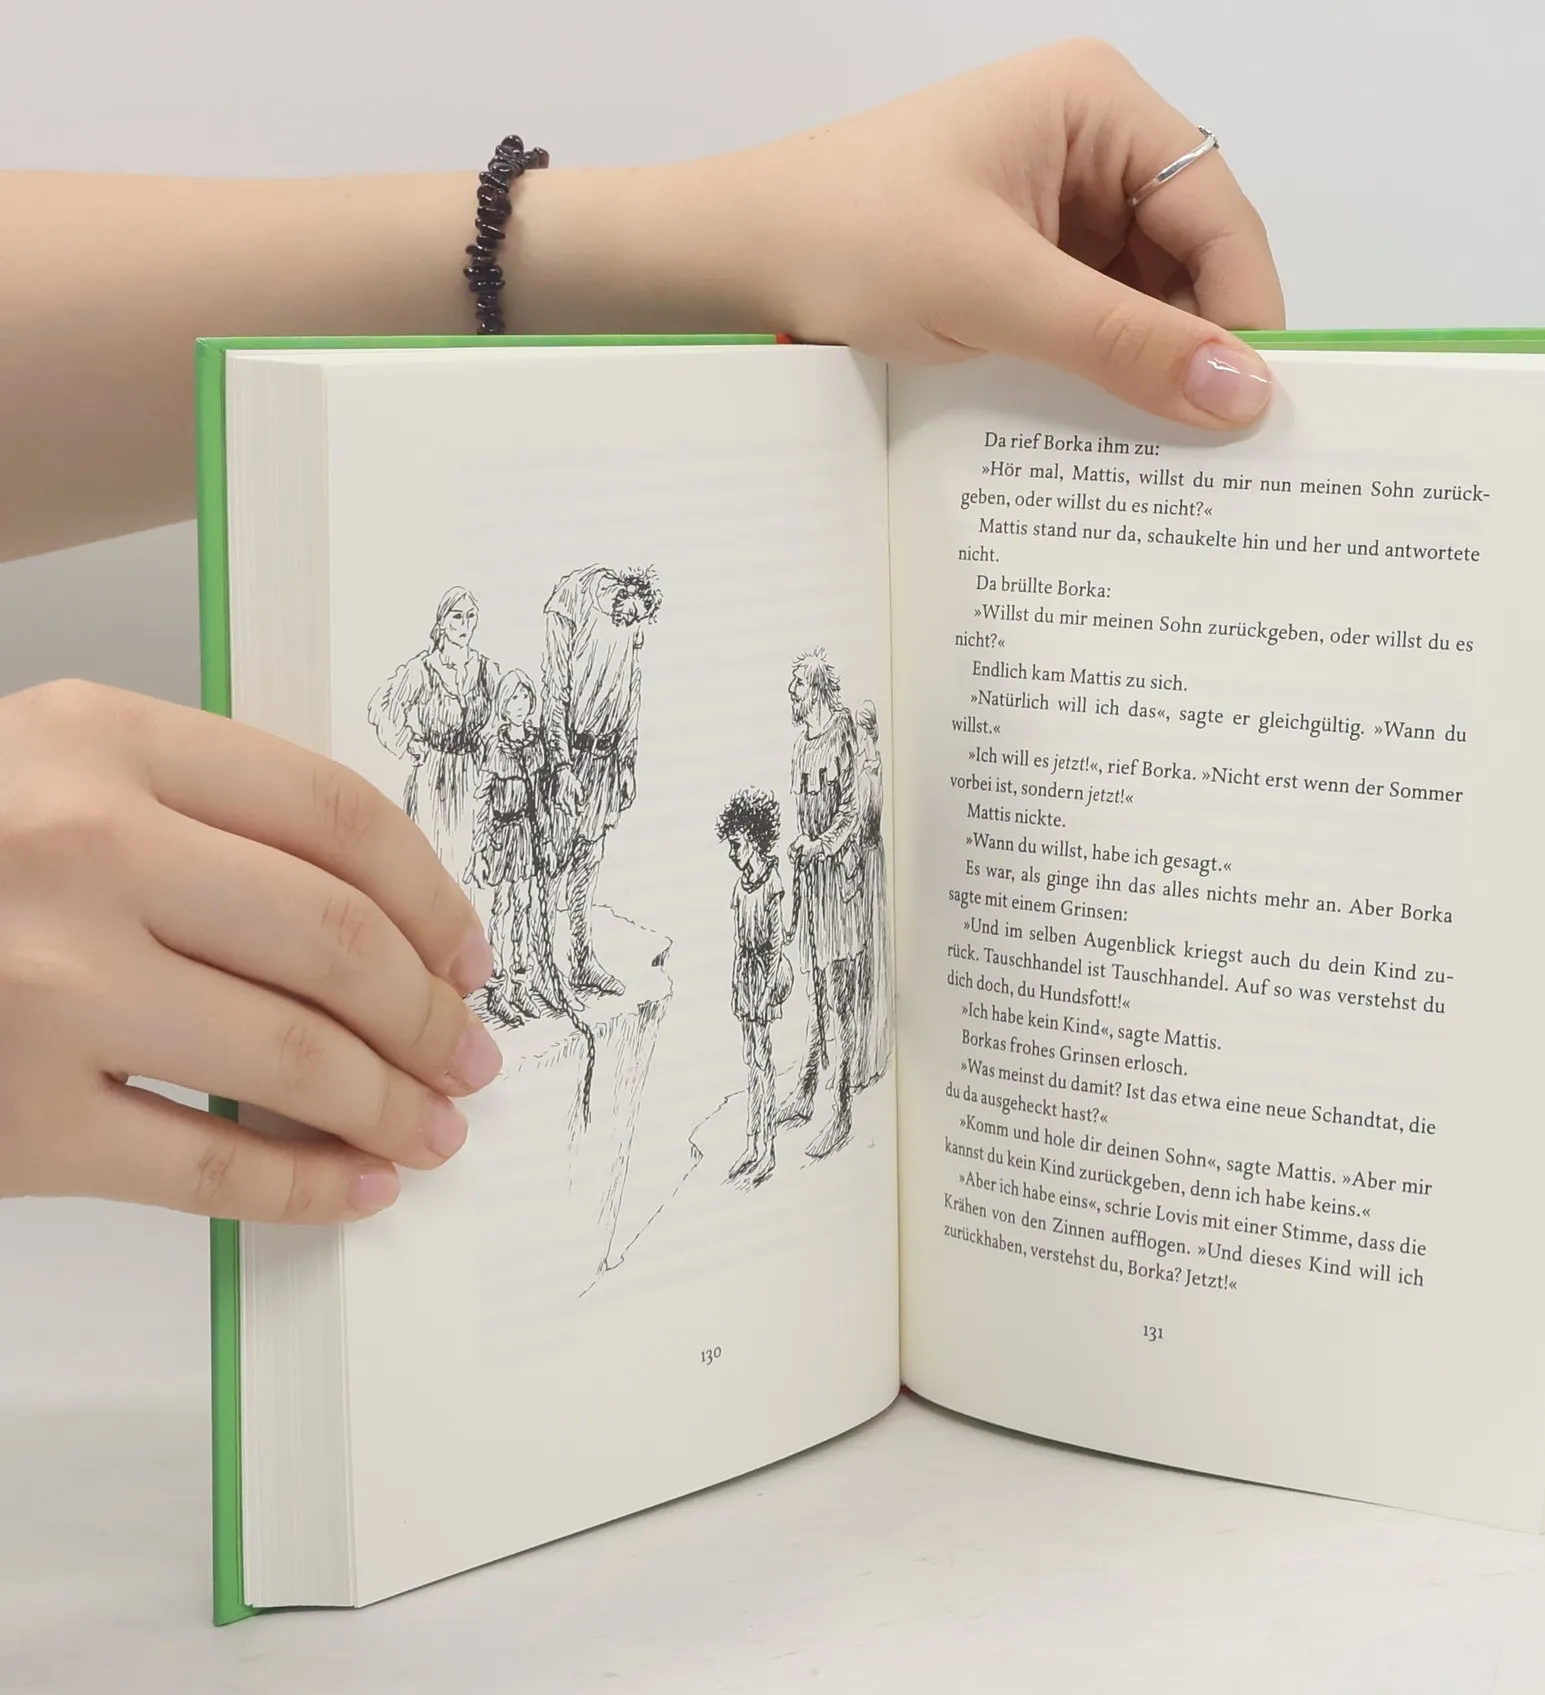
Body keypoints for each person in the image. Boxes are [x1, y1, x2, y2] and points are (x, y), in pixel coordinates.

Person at [0, 41, 1284, 1226]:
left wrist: (725, 236)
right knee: (529, 907)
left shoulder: (669, 696)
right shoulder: (536, 672)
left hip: (693, 849)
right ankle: (590, 1001)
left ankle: (674, 1027)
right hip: (517, 820)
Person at [539, 565, 663, 995]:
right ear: (624, 590)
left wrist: (627, 761)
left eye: (640, 619)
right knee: (553, 860)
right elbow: (554, 689)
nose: (634, 626)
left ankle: (581, 960)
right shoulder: (571, 598)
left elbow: (632, 688)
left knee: (588, 860)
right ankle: (541, 964)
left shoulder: (631, 627)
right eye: (632, 614)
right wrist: (561, 766)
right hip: (568, 755)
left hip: (605, 760)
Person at [777, 653, 862, 1161]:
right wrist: (802, 851)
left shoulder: (843, 731)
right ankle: (806, 1092)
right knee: (814, 994)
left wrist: (819, 846)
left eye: (797, 685)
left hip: (839, 880)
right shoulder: (800, 747)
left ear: (816, 689)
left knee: (841, 998)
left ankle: (842, 1110)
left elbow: (850, 810)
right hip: (812, 882)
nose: (792, 693)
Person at [367, 587, 499, 896]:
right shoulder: (422, 670)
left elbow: (506, 712)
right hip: (433, 775)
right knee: (434, 858)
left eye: (471, 617)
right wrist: (407, 741)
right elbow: (381, 707)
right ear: (442, 622)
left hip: (474, 775)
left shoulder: (485, 670)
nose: (465, 625)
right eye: (457, 617)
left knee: (471, 858)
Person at [468, 669, 572, 1028]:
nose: (520, 704)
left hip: (530, 834)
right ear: (502, 704)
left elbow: (542, 799)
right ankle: (498, 988)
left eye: (525, 697)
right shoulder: (495, 747)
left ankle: (521, 983)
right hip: (503, 835)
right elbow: (482, 799)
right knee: (503, 907)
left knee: (526, 906)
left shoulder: (537, 743)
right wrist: (479, 848)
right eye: (513, 698)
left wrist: (548, 839)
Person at [716, 787, 789, 1189]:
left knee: (764, 1059)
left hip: (763, 975)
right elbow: (737, 940)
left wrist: (765, 990)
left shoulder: (771, 883)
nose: (732, 853)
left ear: (755, 841)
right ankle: (751, 1144)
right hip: (744, 975)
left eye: (737, 844)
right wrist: (738, 985)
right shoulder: (740, 886)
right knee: (751, 1060)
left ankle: (768, 1149)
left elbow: (776, 944)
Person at [848, 701, 893, 1092]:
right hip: (876, 858)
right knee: (874, 953)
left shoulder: (865, 773)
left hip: (865, 862)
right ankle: (873, 1053)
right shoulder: (876, 766)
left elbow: (861, 824)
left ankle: (865, 1060)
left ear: (864, 732)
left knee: (865, 958)